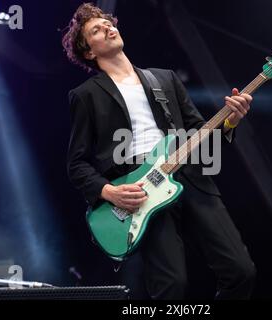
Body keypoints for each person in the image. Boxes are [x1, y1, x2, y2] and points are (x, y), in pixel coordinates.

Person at [63, 3, 256, 299]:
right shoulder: (86, 95)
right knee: (171, 286)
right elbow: (76, 164)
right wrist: (108, 192)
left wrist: (230, 120)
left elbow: (199, 130)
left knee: (241, 271)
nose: (108, 28)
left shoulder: (163, 78)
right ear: (89, 51)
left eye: (107, 23)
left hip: (188, 179)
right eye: (96, 30)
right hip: (139, 193)